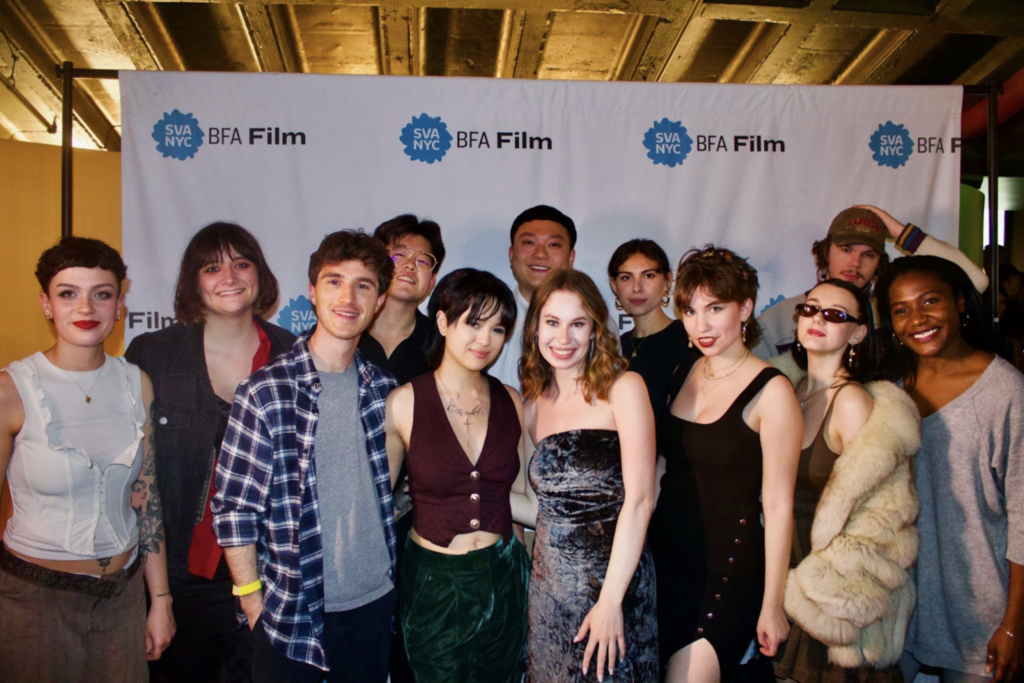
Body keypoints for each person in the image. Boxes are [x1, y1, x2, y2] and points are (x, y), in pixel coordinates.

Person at [212, 230, 399, 683]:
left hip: (374, 605)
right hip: (290, 613)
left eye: (364, 285)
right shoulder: (265, 392)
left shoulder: (385, 390)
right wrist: (253, 602)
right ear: (313, 292)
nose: (348, 297)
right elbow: (235, 510)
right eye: (334, 281)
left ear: (378, 302)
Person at [125, 222, 295, 683]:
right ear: (192, 282)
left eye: (242, 263)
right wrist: (157, 594)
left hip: (269, 571)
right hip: (178, 575)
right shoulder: (152, 354)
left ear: (260, 274)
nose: (230, 276)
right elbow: (137, 477)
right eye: (212, 267)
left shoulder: (292, 355)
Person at [0, 236, 175, 681]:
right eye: (68, 294)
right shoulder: (11, 391)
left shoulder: (139, 383)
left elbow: (146, 499)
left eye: (101, 294)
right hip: (34, 603)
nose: (86, 308)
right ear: (46, 304)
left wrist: (161, 600)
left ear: (119, 305)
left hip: (123, 600)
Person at [651, 245, 801, 683]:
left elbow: (777, 506)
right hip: (664, 563)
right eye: (691, 311)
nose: (702, 325)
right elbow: (664, 471)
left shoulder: (772, 392)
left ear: (746, 308)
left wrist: (773, 603)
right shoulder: (684, 371)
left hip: (727, 571)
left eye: (715, 308)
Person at [876, 256, 1024, 683]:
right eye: (901, 310)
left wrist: (1013, 624)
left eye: (930, 301)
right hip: (899, 606)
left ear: (960, 302)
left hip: (981, 611)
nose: (917, 319)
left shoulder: (1005, 391)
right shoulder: (890, 389)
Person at [384, 268, 529, 682]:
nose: (485, 340)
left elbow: (518, 497)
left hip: (505, 575)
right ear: (444, 323)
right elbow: (380, 504)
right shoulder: (403, 403)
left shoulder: (512, 400)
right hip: (435, 583)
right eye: (473, 323)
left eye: (498, 329)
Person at [771, 278, 919, 682]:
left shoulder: (851, 400)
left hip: (836, 607)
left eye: (834, 315)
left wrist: (816, 594)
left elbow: (881, 519)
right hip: (786, 588)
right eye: (810, 308)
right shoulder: (787, 390)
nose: (817, 319)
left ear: (857, 333)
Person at [516, 269, 659, 682]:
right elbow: (537, 507)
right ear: (535, 329)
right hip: (550, 593)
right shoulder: (532, 406)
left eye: (577, 324)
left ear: (595, 328)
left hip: (615, 586)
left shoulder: (623, 387)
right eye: (552, 323)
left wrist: (611, 599)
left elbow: (641, 500)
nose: (563, 339)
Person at [359, 214, 446, 683]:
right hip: (348, 526)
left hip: (422, 526)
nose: (410, 266)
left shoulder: (445, 343)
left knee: (416, 653)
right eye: (398, 255)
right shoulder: (342, 333)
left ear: (433, 278)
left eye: (423, 260)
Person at [754, 205, 988, 359]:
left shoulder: (894, 313)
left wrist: (900, 232)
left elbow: (976, 281)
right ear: (826, 252)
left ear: (879, 261)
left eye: (869, 254)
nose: (855, 263)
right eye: (846, 250)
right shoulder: (779, 320)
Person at [607, 238, 697, 421]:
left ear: (668, 281)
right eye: (626, 277)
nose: (637, 288)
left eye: (648, 276)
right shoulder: (613, 346)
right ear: (614, 286)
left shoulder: (688, 340)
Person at [490, 204, 577, 390]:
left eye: (553, 245)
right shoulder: (486, 317)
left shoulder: (594, 322)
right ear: (511, 254)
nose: (539, 254)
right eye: (529, 243)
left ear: (571, 258)